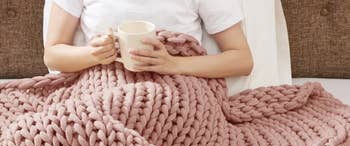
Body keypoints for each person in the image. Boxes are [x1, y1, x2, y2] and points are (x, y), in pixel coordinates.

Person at [44, 0, 254, 78]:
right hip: (101, 86)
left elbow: (242, 60)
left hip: (179, 91)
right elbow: (53, 55)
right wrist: (93, 54)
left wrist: (174, 64)